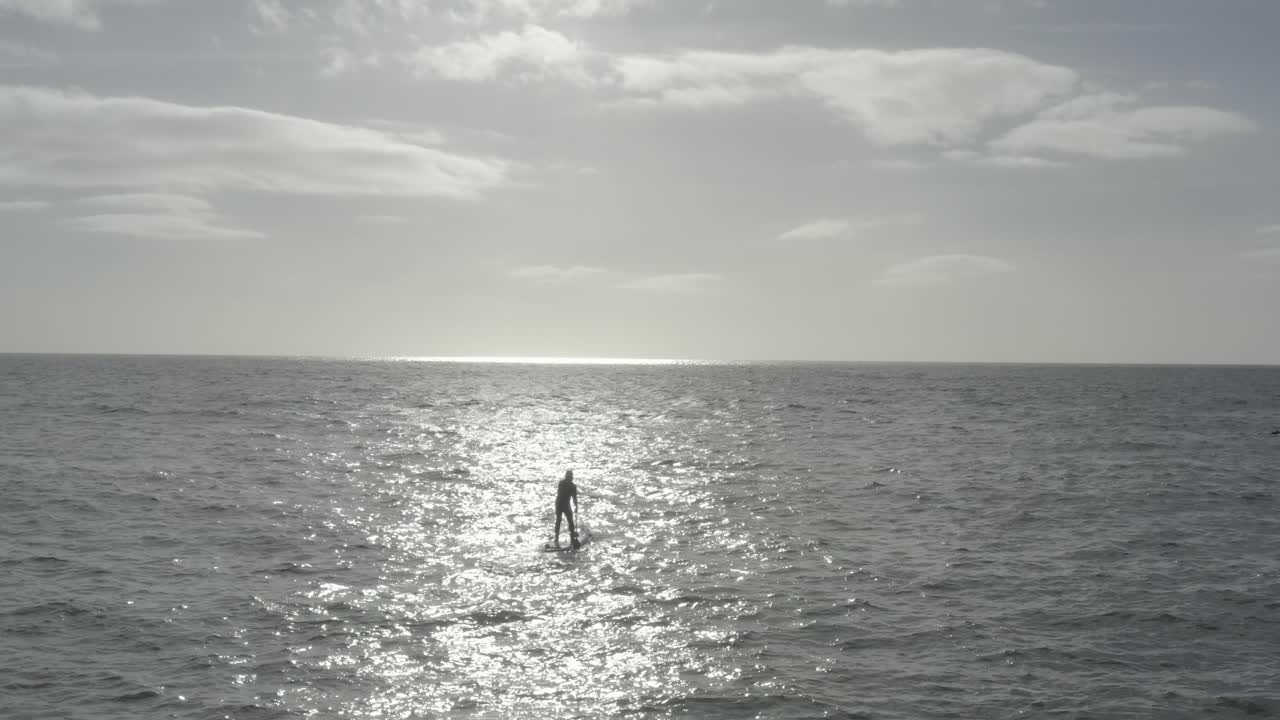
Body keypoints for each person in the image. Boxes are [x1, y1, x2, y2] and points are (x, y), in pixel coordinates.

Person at [554, 469, 580, 548]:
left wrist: (576, 506)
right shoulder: (564, 484)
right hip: (561, 504)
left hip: (562, 504)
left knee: (568, 521)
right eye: (569, 476)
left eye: (570, 476)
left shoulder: (566, 484)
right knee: (560, 520)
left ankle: (571, 538)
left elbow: (574, 498)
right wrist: (576, 506)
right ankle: (557, 538)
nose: (570, 477)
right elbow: (573, 497)